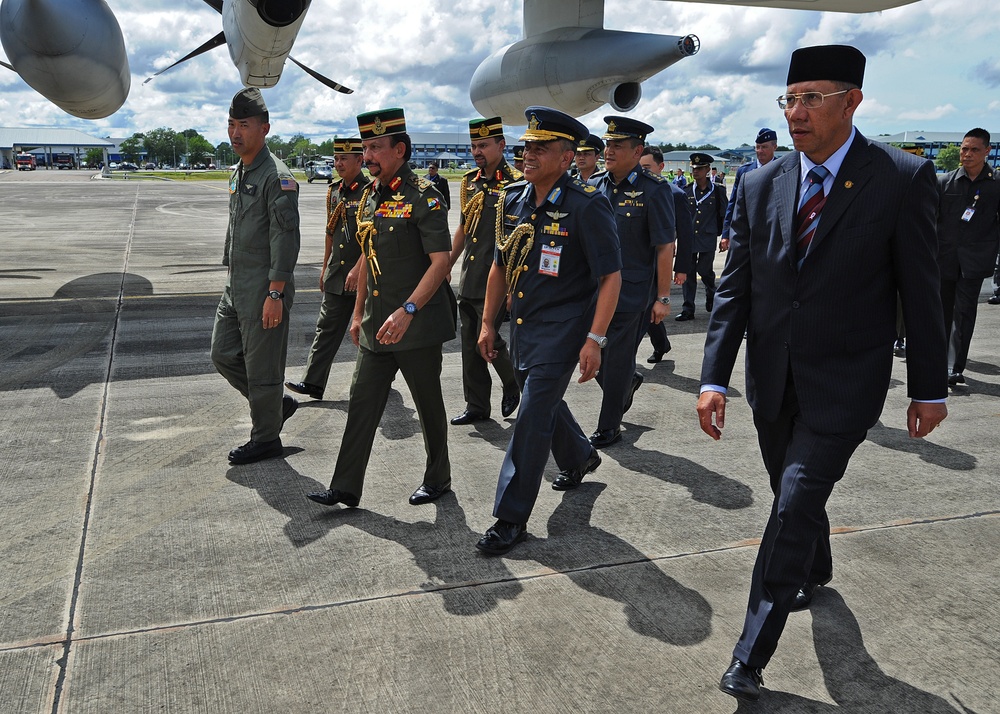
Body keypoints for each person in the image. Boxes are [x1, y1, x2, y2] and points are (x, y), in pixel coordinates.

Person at [696, 45, 948, 702]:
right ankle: (818, 563)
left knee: (791, 505)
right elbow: (736, 291)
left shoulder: (900, 177)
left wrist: (928, 388)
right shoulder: (760, 183)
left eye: (812, 98)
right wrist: (712, 377)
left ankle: (751, 650)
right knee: (794, 494)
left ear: (852, 101)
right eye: (789, 99)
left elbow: (922, 292)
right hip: (773, 381)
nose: (796, 113)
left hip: (846, 382)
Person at [475, 106, 621, 555]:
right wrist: (486, 322)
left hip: (564, 330)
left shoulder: (586, 205)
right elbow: (500, 266)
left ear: (566, 156)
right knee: (542, 404)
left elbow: (610, 276)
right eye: (526, 146)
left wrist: (595, 339)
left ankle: (510, 517)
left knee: (531, 417)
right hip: (524, 326)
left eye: (540, 148)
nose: (528, 154)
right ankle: (580, 455)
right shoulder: (513, 199)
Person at [307, 108, 455, 509]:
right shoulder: (370, 197)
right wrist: (357, 314)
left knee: (428, 405)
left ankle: (438, 477)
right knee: (361, 402)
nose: (368, 155)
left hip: (417, 323)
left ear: (400, 149)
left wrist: (408, 310)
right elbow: (369, 261)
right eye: (366, 147)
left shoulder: (425, 196)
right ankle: (345, 487)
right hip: (376, 322)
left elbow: (441, 263)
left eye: (375, 147)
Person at [212, 88, 300, 465]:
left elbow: (286, 239)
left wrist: (275, 294)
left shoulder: (276, 178)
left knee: (263, 371)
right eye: (231, 124)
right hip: (237, 286)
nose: (235, 133)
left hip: (265, 289)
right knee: (222, 354)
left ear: (264, 128)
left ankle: (266, 438)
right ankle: (275, 405)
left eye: (243, 125)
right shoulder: (239, 170)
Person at [587, 116, 684, 448]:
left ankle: (609, 426)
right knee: (593, 353)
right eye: (607, 144)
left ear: (637, 149)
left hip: (632, 293)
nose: (608, 151)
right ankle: (628, 381)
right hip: (595, 292)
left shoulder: (653, 190)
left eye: (617, 145)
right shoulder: (596, 185)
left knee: (614, 360)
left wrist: (662, 297)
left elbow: (663, 247)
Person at [448, 116, 522, 425]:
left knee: (490, 339)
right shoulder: (469, 181)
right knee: (469, 346)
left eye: (484, 145)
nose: (477, 151)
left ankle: (513, 383)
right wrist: (446, 266)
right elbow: (465, 228)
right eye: (474, 146)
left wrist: (511, 286)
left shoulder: (517, 183)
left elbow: (519, 240)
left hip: (497, 279)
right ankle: (477, 405)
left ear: (501, 145)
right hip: (470, 276)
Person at [285, 137, 370, 400]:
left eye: (345, 158)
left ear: (360, 160)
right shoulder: (334, 191)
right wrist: (324, 267)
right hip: (337, 273)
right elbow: (330, 233)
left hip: (365, 274)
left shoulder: (371, 191)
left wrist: (358, 269)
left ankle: (374, 381)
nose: (338, 163)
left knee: (367, 334)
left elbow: (374, 238)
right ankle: (313, 382)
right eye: (336, 159)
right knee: (326, 328)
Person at [935, 128, 1000, 386]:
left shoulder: (996, 185)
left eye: (974, 149)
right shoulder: (944, 182)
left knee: (963, 314)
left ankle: (953, 367)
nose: (967, 154)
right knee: (941, 314)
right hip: (944, 259)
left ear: (987, 151)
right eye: (964, 148)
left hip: (974, 262)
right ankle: (938, 364)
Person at [638, 146, 694, 363]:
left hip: (658, 261)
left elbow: (686, 234)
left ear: (661, 167)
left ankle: (653, 347)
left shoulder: (675, 194)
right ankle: (662, 344)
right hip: (636, 259)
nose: (643, 172)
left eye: (647, 167)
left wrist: (681, 268)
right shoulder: (635, 190)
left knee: (647, 307)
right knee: (644, 308)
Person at [676, 153, 727, 321]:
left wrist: (725, 236)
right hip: (689, 239)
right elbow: (680, 217)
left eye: (699, 169)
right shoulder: (686, 191)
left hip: (707, 237)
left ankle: (711, 292)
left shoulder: (717, 191)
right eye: (693, 169)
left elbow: (724, 215)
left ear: (707, 170)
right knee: (688, 273)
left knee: (704, 270)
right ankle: (688, 308)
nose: (695, 172)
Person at [722, 128, 779, 245]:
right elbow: (734, 203)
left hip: (774, 233)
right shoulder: (744, 171)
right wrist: (726, 233)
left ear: (775, 147)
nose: (760, 151)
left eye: (764, 147)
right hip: (748, 232)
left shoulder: (783, 169)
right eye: (757, 147)